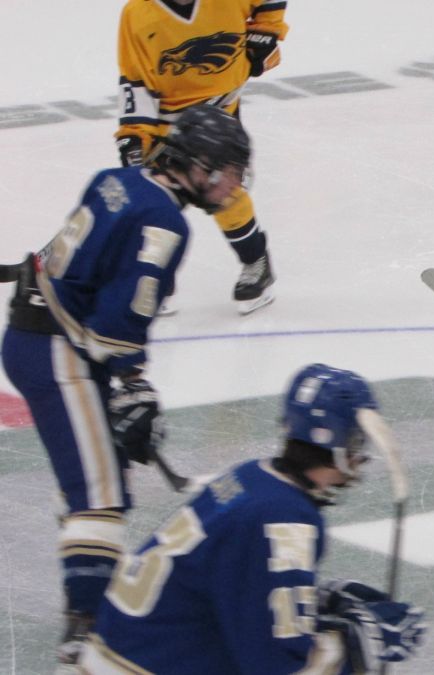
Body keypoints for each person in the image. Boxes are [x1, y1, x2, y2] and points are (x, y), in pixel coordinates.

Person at [0, 105, 252, 666]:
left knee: (97, 475)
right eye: (232, 171)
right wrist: (132, 384)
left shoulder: (117, 178)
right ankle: (88, 629)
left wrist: (122, 386)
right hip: (55, 350)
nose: (236, 185)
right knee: (100, 494)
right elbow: (119, 317)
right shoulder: (165, 223)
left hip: (41, 333)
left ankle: (90, 589)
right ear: (201, 166)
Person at [78, 363, 424, 674]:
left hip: (115, 654)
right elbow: (280, 666)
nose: (361, 454)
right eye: (358, 441)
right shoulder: (285, 520)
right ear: (341, 445)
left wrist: (313, 599)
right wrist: (360, 644)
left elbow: (227, 583)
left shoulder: (252, 476)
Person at [116, 0, 287, 315]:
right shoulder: (138, 14)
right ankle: (155, 276)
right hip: (165, 119)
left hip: (216, 113)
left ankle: (256, 261)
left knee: (221, 189)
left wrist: (267, 30)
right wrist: (134, 135)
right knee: (155, 201)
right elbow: (135, 80)